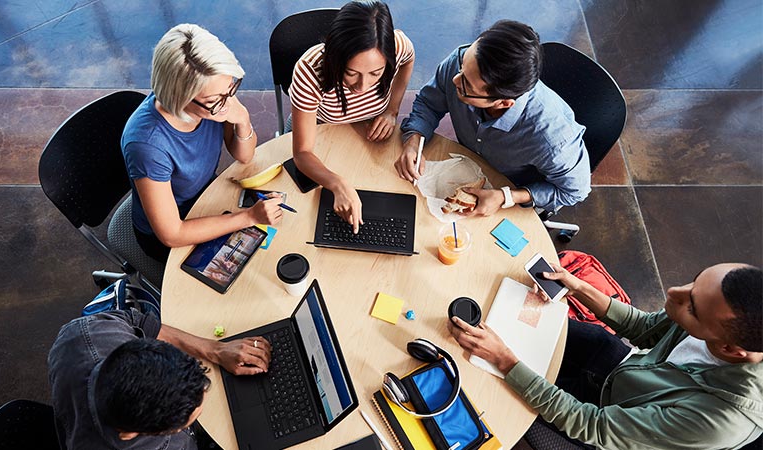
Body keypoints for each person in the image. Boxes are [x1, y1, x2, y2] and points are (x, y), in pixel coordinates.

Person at [448, 263, 763, 449]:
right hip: (626, 372)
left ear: (731, 350)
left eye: (690, 306)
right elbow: (645, 327)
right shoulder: (719, 317)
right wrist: (578, 288)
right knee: (516, 321)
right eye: (694, 281)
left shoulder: (717, 422)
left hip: (605, 424)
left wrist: (505, 359)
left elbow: (592, 424)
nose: (673, 292)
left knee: (493, 389)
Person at [122, 24, 282, 263]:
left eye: (230, 89)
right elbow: (171, 234)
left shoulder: (215, 96)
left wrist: (242, 119)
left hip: (206, 195)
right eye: (215, 100)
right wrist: (248, 217)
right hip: (173, 228)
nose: (227, 103)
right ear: (180, 96)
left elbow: (245, 155)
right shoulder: (148, 145)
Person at [396, 20, 590, 216]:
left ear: (503, 103)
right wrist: (413, 140)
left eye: (467, 86)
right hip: (465, 164)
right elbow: (429, 103)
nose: (455, 79)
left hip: (513, 187)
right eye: (463, 66)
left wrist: (507, 196)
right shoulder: (464, 63)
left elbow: (575, 191)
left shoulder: (552, 139)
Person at [48, 308, 271, 449]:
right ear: (130, 434)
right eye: (190, 419)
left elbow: (142, 323)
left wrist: (215, 350)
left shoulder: (85, 335)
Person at [290, 0, 414, 232]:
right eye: (351, 73)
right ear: (336, 58)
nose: (363, 85)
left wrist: (392, 110)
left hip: (369, 128)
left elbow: (408, 59)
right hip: (321, 126)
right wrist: (337, 183)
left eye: (376, 73)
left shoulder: (397, 46)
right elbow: (302, 153)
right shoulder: (309, 70)